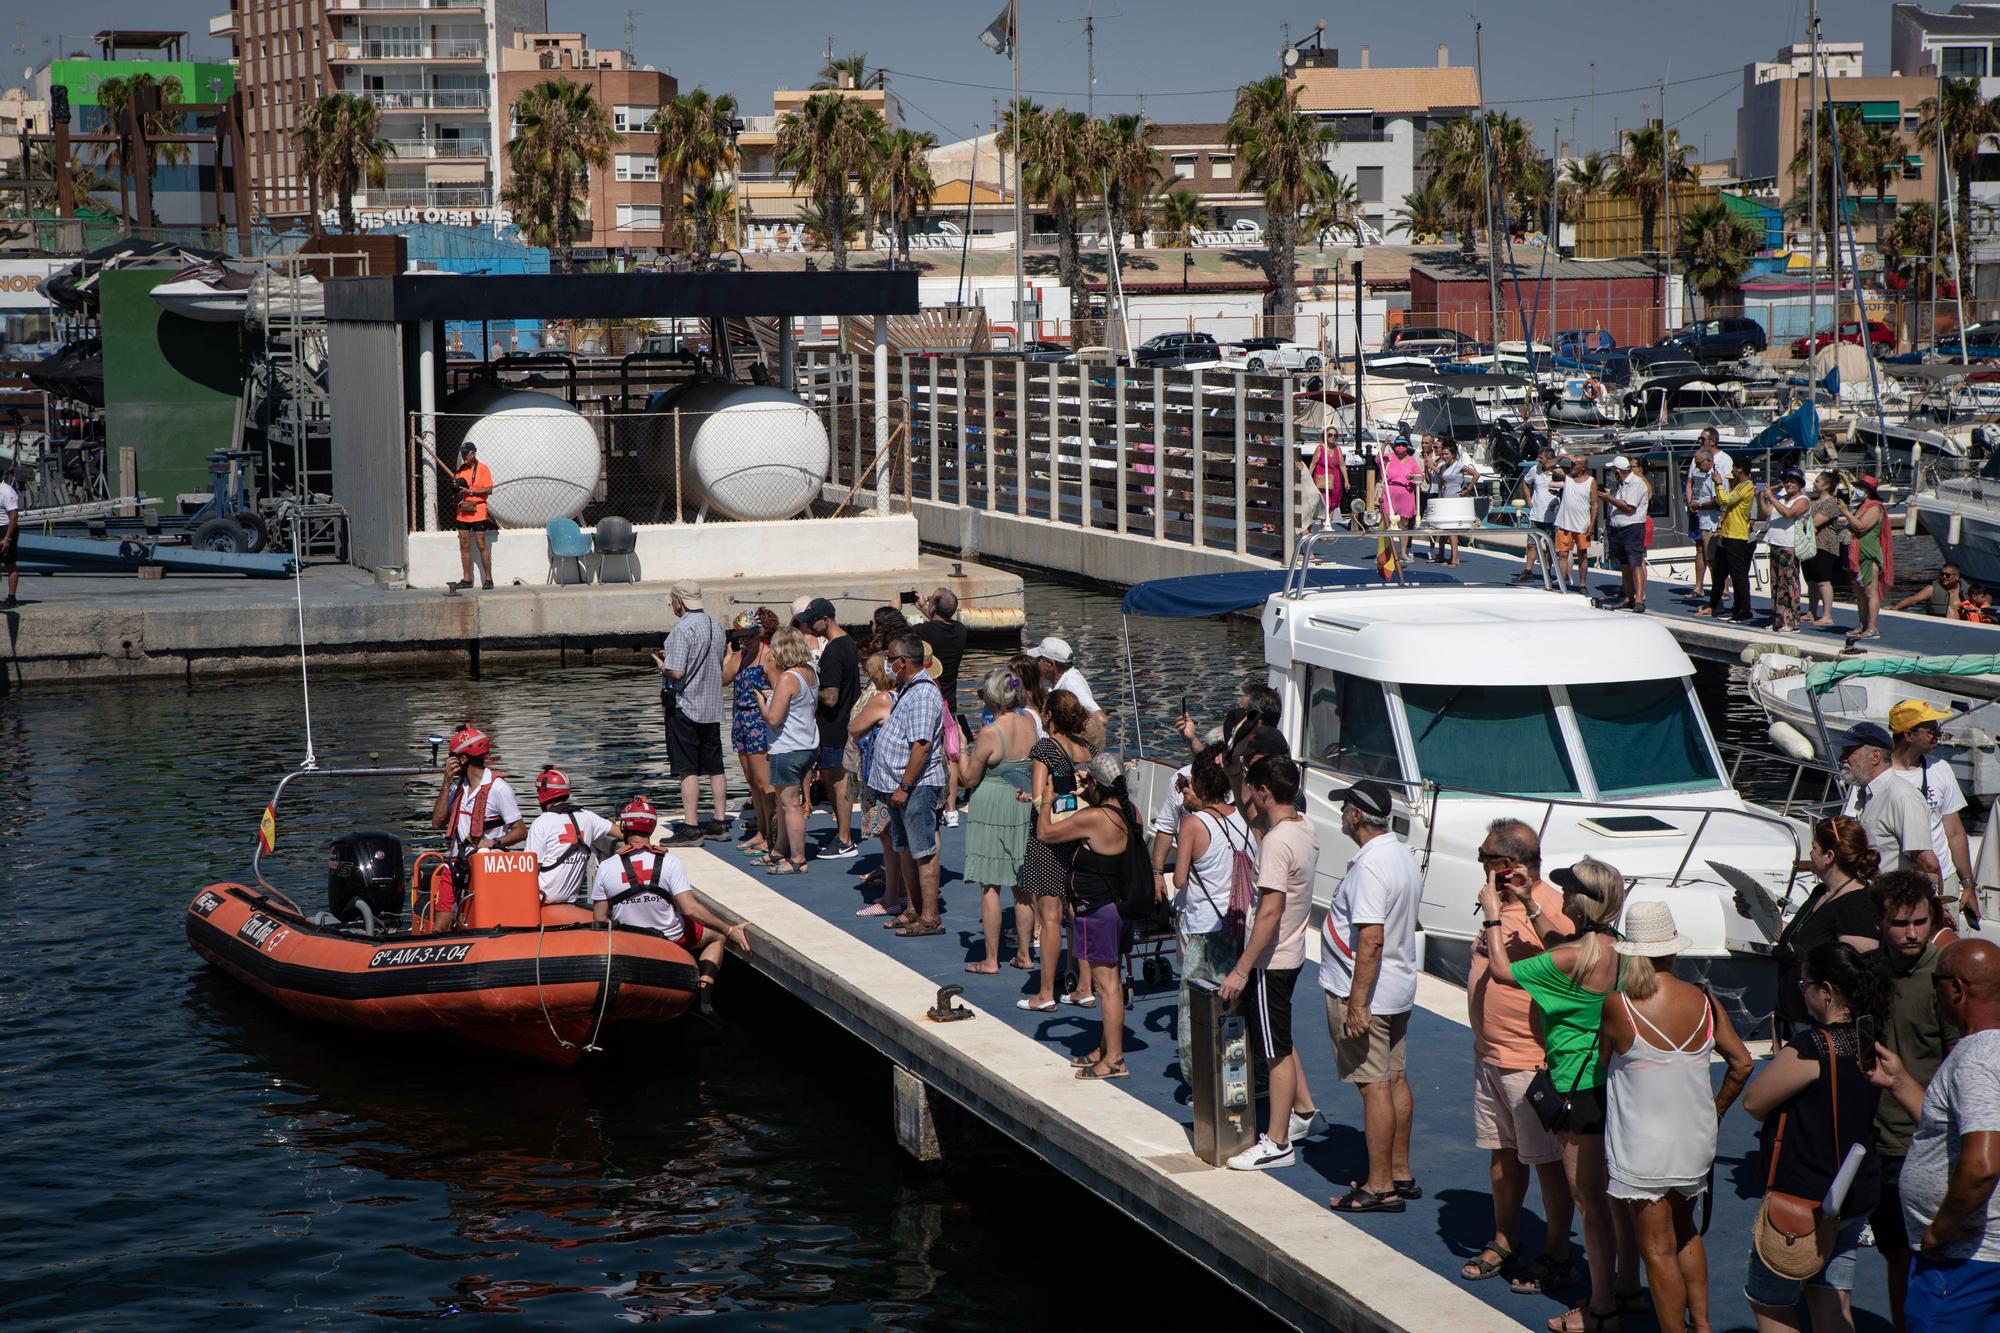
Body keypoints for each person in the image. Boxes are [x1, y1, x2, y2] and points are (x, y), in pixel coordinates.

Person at [1478, 857, 1640, 1333]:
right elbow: (1565, 948)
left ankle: (1602, 1307)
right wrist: (1530, 903)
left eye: (1568, 891)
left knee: (1588, 1202)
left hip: (1574, 1087)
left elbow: (1505, 972)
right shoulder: (1616, 950)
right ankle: (1627, 1286)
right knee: (1616, 1198)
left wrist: (1493, 914)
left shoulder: (1577, 957)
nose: (1562, 896)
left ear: (1582, 901)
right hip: (1609, 1084)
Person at [1602, 901, 1755, 1333]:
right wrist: (1716, 1111)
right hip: (1694, 1138)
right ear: (1672, 949)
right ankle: (1702, 1326)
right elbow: (1742, 1063)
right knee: (1686, 1231)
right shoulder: (1704, 1002)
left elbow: (1602, 1064)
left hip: (1642, 1147)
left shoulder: (1618, 1006)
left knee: (1656, 1248)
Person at [1741, 940, 1891, 1333]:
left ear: (1825, 991)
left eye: (1805, 983)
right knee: (1831, 1297)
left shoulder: (1811, 1047)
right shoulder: (1868, 1039)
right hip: (1851, 1193)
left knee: (1769, 1303)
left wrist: (1782, 1060)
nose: (1801, 991)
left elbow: (1754, 1103)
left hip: (1805, 1195)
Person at [1463, 819, 1581, 1295]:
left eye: (1484, 858)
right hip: (1490, 1056)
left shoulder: (1551, 911)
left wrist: (1499, 913)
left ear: (1507, 866)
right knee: (1502, 1154)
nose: (1480, 867)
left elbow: (1561, 968)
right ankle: (1504, 1238)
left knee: (1548, 1163)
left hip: (1531, 1063)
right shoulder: (1500, 904)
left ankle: (1557, 1251)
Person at [1871, 939, 2000, 1333]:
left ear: (1957, 989)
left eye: (1936, 983)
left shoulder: (1975, 1059)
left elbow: (1982, 1164)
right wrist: (1898, 1082)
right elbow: (1955, 1129)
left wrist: (1937, 1231)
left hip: (1965, 1261)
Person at [1217, 755, 1325, 1167]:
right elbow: (1255, 819)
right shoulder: (1303, 827)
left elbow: (1269, 912)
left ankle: (1277, 1142)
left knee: (1274, 1051)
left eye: (1253, 791)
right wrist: (1234, 772)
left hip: (1270, 960)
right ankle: (1304, 1112)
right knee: (1277, 1033)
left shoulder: (1277, 843)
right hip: (1292, 953)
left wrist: (1242, 968)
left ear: (1264, 792)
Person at [1321, 778, 1423, 1212]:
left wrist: (1357, 1003)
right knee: (1395, 1077)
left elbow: (1371, 938)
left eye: (1346, 808)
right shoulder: (1401, 854)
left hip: (1368, 995)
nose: (1342, 814)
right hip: (1398, 988)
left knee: (1373, 1085)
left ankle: (1379, 1185)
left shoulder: (1368, 866)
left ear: (1357, 815)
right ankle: (1399, 1172)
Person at [1871, 870, 1966, 1330]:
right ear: (1879, 924)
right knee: (1893, 1253)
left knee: (1935, 1251)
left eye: (1920, 922)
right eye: (1900, 923)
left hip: (1929, 1143)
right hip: (1876, 1141)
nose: (1912, 933)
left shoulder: (1946, 980)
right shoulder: (1867, 974)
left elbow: (1958, 1061)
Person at [1033, 752, 1140, 1081]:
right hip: (1119, 907)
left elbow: (1046, 834)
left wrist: (1049, 799)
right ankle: (1105, 1048)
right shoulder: (1128, 812)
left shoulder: (1095, 818)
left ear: (1096, 782)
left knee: (1106, 986)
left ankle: (1116, 1060)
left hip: (1098, 911)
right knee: (1112, 982)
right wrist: (1085, 791)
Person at [589, 797, 749, 991]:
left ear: (624, 827)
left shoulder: (606, 867)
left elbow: (599, 919)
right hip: (671, 938)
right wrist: (729, 930)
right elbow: (690, 909)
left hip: (630, 941)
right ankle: (705, 990)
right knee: (716, 936)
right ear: (653, 828)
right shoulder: (670, 861)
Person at [1169, 756, 1250, 1081]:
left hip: (1205, 928)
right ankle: (1240, 1073)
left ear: (1200, 785)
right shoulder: (1243, 818)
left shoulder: (1193, 823)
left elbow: (1179, 879)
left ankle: (1200, 1080)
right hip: (1240, 923)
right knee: (1236, 1007)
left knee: (1195, 1010)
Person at [957, 665, 1038, 975]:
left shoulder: (991, 733)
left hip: (992, 807)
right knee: (1022, 887)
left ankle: (991, 960)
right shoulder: (1030, 722)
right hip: (1022, 801)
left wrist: (963, 748)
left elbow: (967, 778)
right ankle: (1024, 954)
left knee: (990, 887)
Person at [1018, 689, 1095, 1013]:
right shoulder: (1085, 749)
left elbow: (1040, 798)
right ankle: (1085, 988)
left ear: (1048, 715)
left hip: (1049, 841)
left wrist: (1033, 798)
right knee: (1079, 914)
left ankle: (1045, 992)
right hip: (1081, 835)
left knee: (1050, 917)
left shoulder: (1044, 748)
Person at [1771, 816, 1884, 1038]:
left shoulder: (1858, 903)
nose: (1810, 854)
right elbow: (1796, 938)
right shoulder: (1820, 894)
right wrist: (1758, 912)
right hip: (1797, 1018)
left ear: (1829, 856)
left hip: (1823, 1029)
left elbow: (1855, 973)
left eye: (1814, 848)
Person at [868, 633, 950, 938]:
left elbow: (922, 745)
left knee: (923, 852)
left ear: (902, 662)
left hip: (914, 786)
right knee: (904, 849)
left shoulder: (924, 694)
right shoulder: (908, 689)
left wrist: (904, 785)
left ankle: (930, 916)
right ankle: (913, 908)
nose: (888, 665)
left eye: (891, 660)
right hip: (897, 787)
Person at [1889, 700, 1979, 918]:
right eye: (1932, 730)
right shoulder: (1878, 775)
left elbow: (1955, 832)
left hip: (1942, 881)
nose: (1939, 734)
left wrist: (1968, 885)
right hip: (1894, 884)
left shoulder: (1940, 769)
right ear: (1909, 735)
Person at [656, 581, 729, 844]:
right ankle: (720, 822)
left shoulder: (681, 629)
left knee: (688, 768)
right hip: (711, 706)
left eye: (672, 599)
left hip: (685, 706)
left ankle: (690, 826)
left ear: (679, 601)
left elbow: (677, 672)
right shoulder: (716, 626)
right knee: (715, 766)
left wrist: (661, 664)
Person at [799, 598, 861, 860]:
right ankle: (843, 834)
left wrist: (810, 683)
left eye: (813, 621)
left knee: (837, 782)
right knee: (837, 781)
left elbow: (831, 697)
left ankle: (845, 839)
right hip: (842, 723)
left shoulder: (834, 651)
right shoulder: (847, 643)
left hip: (834, 726)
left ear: (827, 619)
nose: (810, 626)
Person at [1841, 723, 1942, 883]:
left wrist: (1933, 906)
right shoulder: (1866, 793)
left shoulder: (1902, 796)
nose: (1842, 759)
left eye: (1849, 752)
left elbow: (1929, 865)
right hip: (1871, 898)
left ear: (1875, 756)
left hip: (1891, 902)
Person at [848, 652, 908, 920]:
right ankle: (904, 892)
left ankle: (891, 898)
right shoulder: (906, 697)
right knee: (900, 840)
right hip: (899, 775)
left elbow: (854, 726)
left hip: (880, 777)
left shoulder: (882, 699)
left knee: (889, 840)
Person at [757, 626, 820, 876]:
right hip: (808, 745)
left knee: (790, 805)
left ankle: (797, 859)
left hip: (788, 748)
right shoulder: (811, 672)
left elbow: (773, 720)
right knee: (788, 804)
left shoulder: (787, 678)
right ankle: (780, 850)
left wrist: (763, 702)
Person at [911, 588, 970, 827]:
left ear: (934, 607)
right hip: (949, 702)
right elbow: (940, 626)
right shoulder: (961, 631)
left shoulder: (920, 631)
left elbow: (921, 634)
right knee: (951, 755)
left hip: (927, 700)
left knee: (924, 750)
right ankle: (952, 809)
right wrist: (928, 607)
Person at [723, 612, 776, 859]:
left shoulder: (768, 657)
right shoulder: (740, 656)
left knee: (765, 783)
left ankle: (772, 837)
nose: (745, 641)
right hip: (741, 721)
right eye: (741, 637)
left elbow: (779, 692)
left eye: (749, 636)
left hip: (758, 722)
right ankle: (761, 831)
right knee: (752, 783)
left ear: (759, 634)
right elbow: (723, 679)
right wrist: (730, 652)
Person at [429, 726, 525, 859]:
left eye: (451, 757)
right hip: (456, 862)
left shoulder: (499, 788)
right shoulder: (457, 787)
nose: (448, 763)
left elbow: (520, 831)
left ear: (462, 759)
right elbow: (437, 824)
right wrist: (446, 783)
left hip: (486, 865)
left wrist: (494, 842)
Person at [524, 765, 615, 905]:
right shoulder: (588, 817)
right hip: (569, 901)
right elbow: (620, 832)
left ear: (543, 792)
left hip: (541, 901)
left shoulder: (541, 823)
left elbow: (529, 869)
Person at [1695, 452, 1755, 623]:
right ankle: (1713, 605)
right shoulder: (1739, 486)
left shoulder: (1747, 487)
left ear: (1739, 469)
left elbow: (1724, 501)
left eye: (1734, 469)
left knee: (1739, 576)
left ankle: (1743, 609)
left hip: (1737, 536)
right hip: (1726, 535)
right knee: (1719, 573)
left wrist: (1719, 484)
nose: (1733, 472)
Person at [1761, 467, 1812, 633]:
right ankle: (1778, 619)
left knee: (1789, 583)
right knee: (1776, 584)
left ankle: (1792, 621)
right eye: (1787, 481)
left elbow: (1789, 513)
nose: (1789, 484)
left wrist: (1771, 497)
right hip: (1775, 543)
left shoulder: (1803, 500)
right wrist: (1761, 496)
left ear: (1799, 484)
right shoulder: (1782, 498)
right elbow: (1768, 512)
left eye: (1793, 481)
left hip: (1789, 546)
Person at [1598, 455, 1651, 613]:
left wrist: (1609, 499)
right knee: (1625, 564)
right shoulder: (1620, 485)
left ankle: (1639, 599)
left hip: (1632, 528)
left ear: (1618, 471)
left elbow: (1629, 508)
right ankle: (1629, 597)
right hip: (1618, 528)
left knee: (1635, 563)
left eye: (1613, 469)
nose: (1612, 472)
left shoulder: (1635, 483)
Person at [1844, 474, 1893, 641]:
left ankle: (1872, 627)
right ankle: (1862, 624)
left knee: (1871, 592)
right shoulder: (1861, 507)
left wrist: (1844, 511)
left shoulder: (1874, 508)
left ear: (1867, 491)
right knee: (1860, 592)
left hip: (1869, 555)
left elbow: (1860, 526)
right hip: (1857, 555)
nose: (1856, 490)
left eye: (1860, 488)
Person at [1806, 472, 1852, 628]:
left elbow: (1814, 522)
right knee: (1811, 580)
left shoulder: (1831, 503)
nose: (1814, 483)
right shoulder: (1812, 501)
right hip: (1809, 544)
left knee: (1823, 581)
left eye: (1817, 481)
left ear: (1826, 485)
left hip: (1824, 545)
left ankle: (1827, 615)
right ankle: (1811, 611)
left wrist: (1806, 523)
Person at [1030, 637, 1104, 732]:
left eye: (1038, 659)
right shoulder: (1064, 678)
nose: (1035, 662)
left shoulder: (1070, 683)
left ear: (1051, 665)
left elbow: (1102, 719)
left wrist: (1074, 738)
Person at [448, 441, 495, 592]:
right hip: (463, 512)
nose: (463, 456)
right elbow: (456, 488)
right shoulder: (460, 470)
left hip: (478, 510)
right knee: (464, 545)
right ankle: (467, 579)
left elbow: (489, 489)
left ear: (473, 453)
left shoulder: (483, 469)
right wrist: (456, 490)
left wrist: (472, 492)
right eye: (462, 453)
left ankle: (488, 579)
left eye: (465, 453)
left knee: (481, 544)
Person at [1513, 445, 1563, 584]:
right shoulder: (1534, 469)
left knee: (1549, 545)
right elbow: (1525, 481)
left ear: (1549, 459)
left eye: (1541, 458)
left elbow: (1568, 483)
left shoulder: (1558, 472)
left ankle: (1547, 570)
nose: (1538, 460)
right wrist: (1528, 498)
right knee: (1531, 544)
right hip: (1536, 514)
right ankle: (1528, 571)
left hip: (1551, 516)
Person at [1683, 430, 1721, 603]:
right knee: (1705, 555)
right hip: (1702, 520)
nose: (1697, 467)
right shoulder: (1703, 473)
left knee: (1713, 561)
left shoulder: (1715, 477)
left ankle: (1717, 598)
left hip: (1712, 523)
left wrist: (1698, 505)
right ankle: (1713, 597)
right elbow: (1692, 485)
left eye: (1699, 464)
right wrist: (1692, 503)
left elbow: (1718, 501)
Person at [1426, 440, 1478, 565]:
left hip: (1454, 499)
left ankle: (1455, 558)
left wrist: (1467, 490)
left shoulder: (1458, 465)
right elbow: (1440, 478)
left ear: (1453, 454)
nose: (1444, 456)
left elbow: (1476, 474)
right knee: (1442, 528)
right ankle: (1441, 555)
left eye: (1447, 454)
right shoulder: (1443, 467)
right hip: (1444, 499)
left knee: (1452, 529)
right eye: (1443, 454)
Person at [1552, 453, 1598, 595]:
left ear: (1583, 468)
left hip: (1582, 525)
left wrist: (1592, 524)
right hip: (1565, 524)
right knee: (1563, 555)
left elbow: (1595, 505)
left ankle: (1582, 584)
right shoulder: (1568, 478)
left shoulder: (1591, 481)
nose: (1571, 466)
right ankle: (1562, 582)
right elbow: (1548, 466)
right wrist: (1564, 456)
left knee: (1582, 555)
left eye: (1575, 464)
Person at [1379, 435, 1423, 560]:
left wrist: (1412, 477)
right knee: (1387, 521)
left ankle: (1403, 553)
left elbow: (1420, 477)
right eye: (1398, 444)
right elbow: (1378, 460)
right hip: (1390, 491)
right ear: (1394, 446)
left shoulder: (1411, 460)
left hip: (1406, 492)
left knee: (1404, 523)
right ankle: (1387, 553)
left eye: (1403, 445)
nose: (1401, 447)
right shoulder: (1389, 458)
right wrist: (1384, 444)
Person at [1893, 563, 1964, 619]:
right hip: (1937, 628)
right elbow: (1913, 599)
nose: (1944, 577)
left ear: (1957, 577)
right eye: (1942, 574)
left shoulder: (1967, 591)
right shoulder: (1931, 589)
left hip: (1961, 630)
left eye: (1947, 575)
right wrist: (1897, 607)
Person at [0, 464, 19, 609]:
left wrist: (7, 538)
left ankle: (12, 597)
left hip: (6, 528)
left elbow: (13, 517)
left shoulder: (7, 491)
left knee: (9, 563)